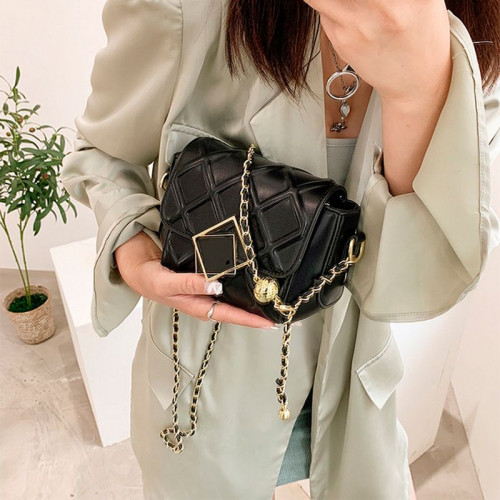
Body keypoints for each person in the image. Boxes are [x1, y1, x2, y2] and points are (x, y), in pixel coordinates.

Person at [60, 0, 500, 498]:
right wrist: (132, 248)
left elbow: (414, 282)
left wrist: (419, 93)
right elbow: (102, 153)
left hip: (356, 396)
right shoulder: (188, 8)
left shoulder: (470, 29)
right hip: (205, 391)